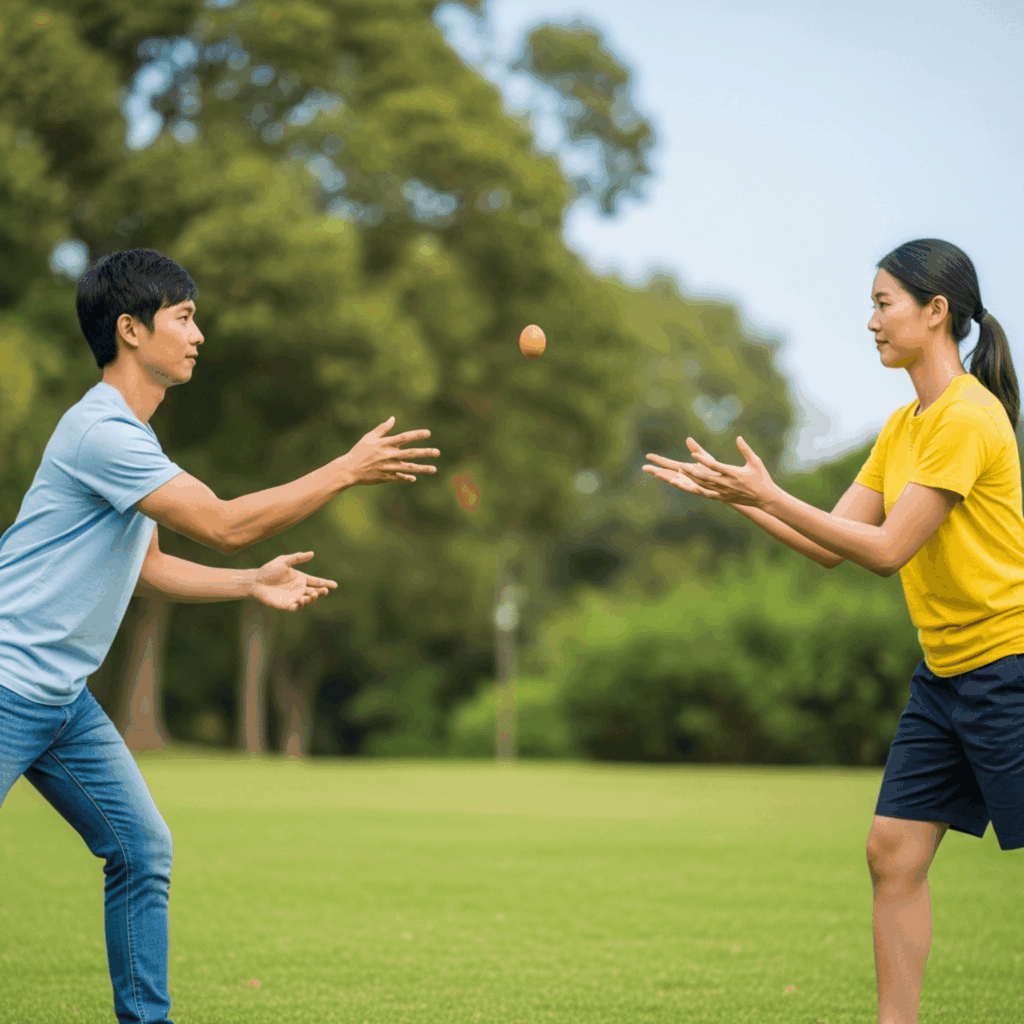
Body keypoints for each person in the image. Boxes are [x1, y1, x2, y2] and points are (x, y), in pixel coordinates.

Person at [0, 248, 440, 1024]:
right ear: (131, 330)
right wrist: (343, 469)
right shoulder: (102, 432)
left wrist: (249, 584)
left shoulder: (131, 444)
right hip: (5, 683)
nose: (200, 334)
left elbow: (150, 567)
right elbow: (226, 523)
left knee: (141, 852)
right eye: (185, 317)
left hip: (59, 702)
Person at [642, 237, 1023, 1024]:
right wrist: (739, 497)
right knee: (893, 852)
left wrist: (769, 493)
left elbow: (885, 551)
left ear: (936, 312)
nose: (873, 321)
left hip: (1008, 669)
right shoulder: (905, 426)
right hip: (945, 675)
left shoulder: (966, 419)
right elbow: (827, 546)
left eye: (885, 304)